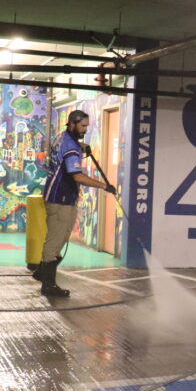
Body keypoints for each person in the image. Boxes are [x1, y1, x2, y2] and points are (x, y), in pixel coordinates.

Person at [33, 110, 115, 297]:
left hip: (60, 196)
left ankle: (41, 272)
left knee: (58, 238)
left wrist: (81, 147)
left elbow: (67, 146)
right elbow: (76, 175)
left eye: (87, 126)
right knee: (55, 241)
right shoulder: (71, 147)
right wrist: (104, 186)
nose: (85, 130)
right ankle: (48, 285)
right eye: (83, 126)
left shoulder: (62, 137)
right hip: (60, 198)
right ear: (72, 124)